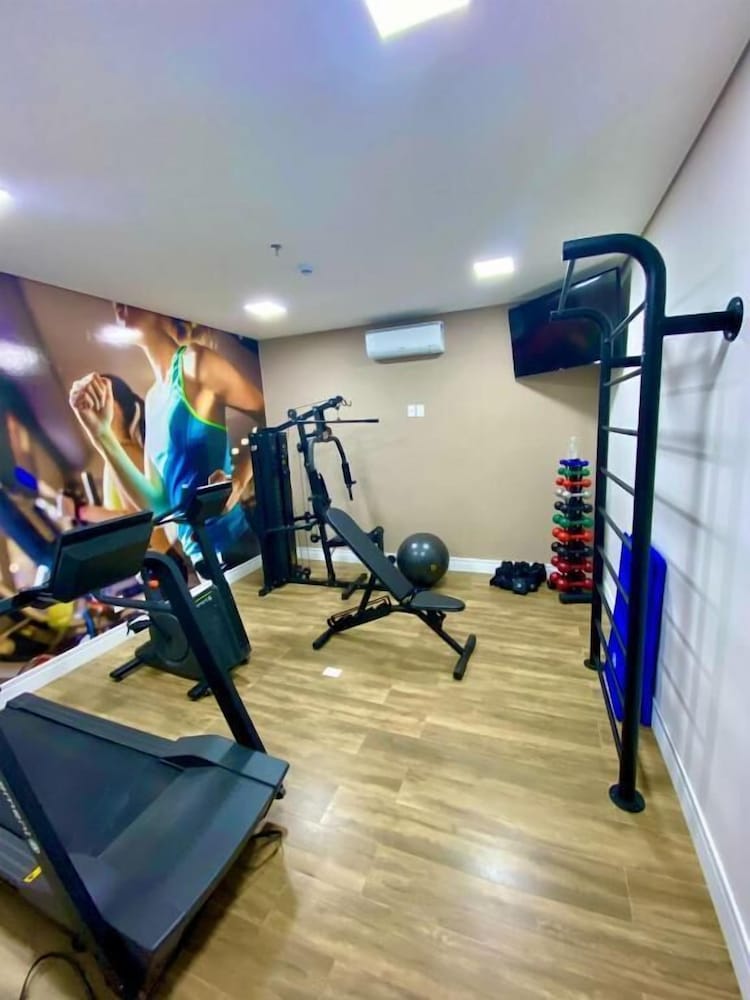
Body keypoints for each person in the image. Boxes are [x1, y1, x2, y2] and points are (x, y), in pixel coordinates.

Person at [69, 304, 264, 572]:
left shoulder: (195, 362)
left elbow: (269, 414)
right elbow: (158, 506)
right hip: (201, 561)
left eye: (127, 298)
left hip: (236, 544)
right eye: (115, 303)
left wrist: (239, 481)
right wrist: (101, 436)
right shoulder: (152, 400)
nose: (118, 306)